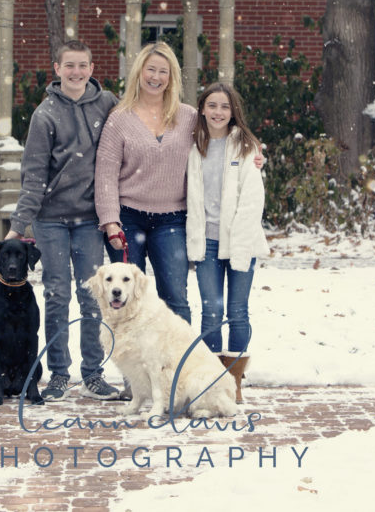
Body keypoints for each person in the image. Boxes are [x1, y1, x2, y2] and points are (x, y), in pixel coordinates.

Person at [4, 40, 121, 402]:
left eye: (82, 65)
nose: (76, 72)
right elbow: (34, 174)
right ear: (57, 69)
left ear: (91, 66)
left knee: (92, 298)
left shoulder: (108, 104)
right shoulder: (45, 115)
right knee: (56, 297)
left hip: (90, 220)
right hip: (51, 221)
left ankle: (94, 373)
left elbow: (140, 134)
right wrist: (18, 225)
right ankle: (57, 374)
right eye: (69, 66)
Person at [94, 42, 197, 323]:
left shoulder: (188, 117)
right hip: (127, 219)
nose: (156, 76)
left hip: (172, 220)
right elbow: (105, 174)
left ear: (171, 76)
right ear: (139, 72)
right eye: (150, 69)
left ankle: (179, 362)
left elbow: (221, 141)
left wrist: (251, 153)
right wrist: (110, 221)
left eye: (163, 71)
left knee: (175, 297)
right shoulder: (119, 119)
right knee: (126, 300)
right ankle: (135, 365)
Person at [185, 83, 269, 402]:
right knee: (210, 311)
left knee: (237, 311)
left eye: (225, 107)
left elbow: (252, 199)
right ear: (202, 109)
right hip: (205, 241)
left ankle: (233, 382)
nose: (218, 112)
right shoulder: (193, 145)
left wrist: (242, 243)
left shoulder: (247, 147)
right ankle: (211, 381)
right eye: (212, 105)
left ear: (233, 112)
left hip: (239, 241)